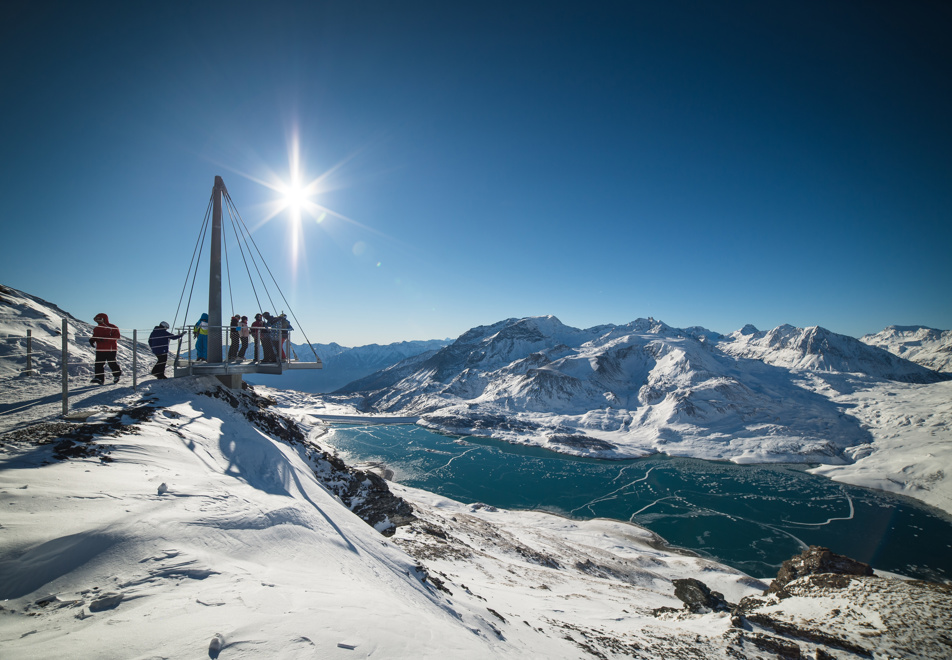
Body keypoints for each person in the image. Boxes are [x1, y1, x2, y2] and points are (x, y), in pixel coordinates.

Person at [89, 312, 121, 385]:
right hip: (100, 349)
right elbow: (95, 336)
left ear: (104, 319)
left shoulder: (112, 327)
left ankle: (116, 375)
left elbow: (117, 336)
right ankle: (99, 378)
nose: (98, 321)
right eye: (96, 319)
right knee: (98, 364)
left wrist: (105, 339)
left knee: (112, 363)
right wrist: (92, 340)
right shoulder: (96, 329)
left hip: (110, 349)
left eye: (100, 319)